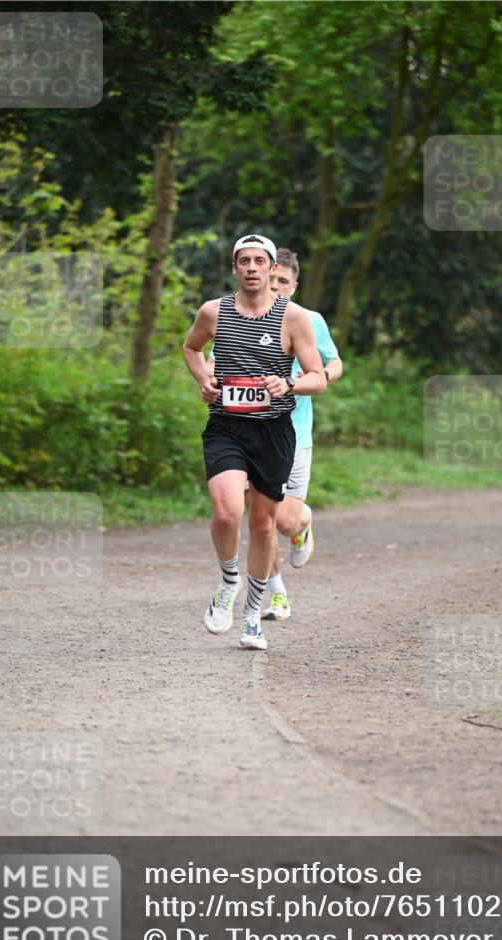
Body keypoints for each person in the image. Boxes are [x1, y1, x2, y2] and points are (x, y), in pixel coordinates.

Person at [182, 234, 326, 651]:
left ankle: (252, 617)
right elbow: (191, 348)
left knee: (264, 525)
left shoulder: (293, 317)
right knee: (227, 514)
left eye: (258, 261)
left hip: (274, 433)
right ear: (234, 268)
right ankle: (228, 583)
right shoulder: (213, 312)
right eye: (243, 261)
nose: (250, 268)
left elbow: (318, 377)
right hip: (227, 426)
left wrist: (290, 383)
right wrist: (204, 380)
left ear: (270, 269)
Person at [261, 248, 343, 620]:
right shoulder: (241, 316)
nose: (275, 287)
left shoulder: (309, 320)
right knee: (260, 521)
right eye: (271, 278)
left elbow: (334, 362)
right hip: (249, 433)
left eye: (283, 282)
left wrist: (319, 378)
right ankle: (277, 595)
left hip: (294, 433)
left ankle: (303, 522)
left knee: (284, 522)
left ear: (294, 286)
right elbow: (217, 360)